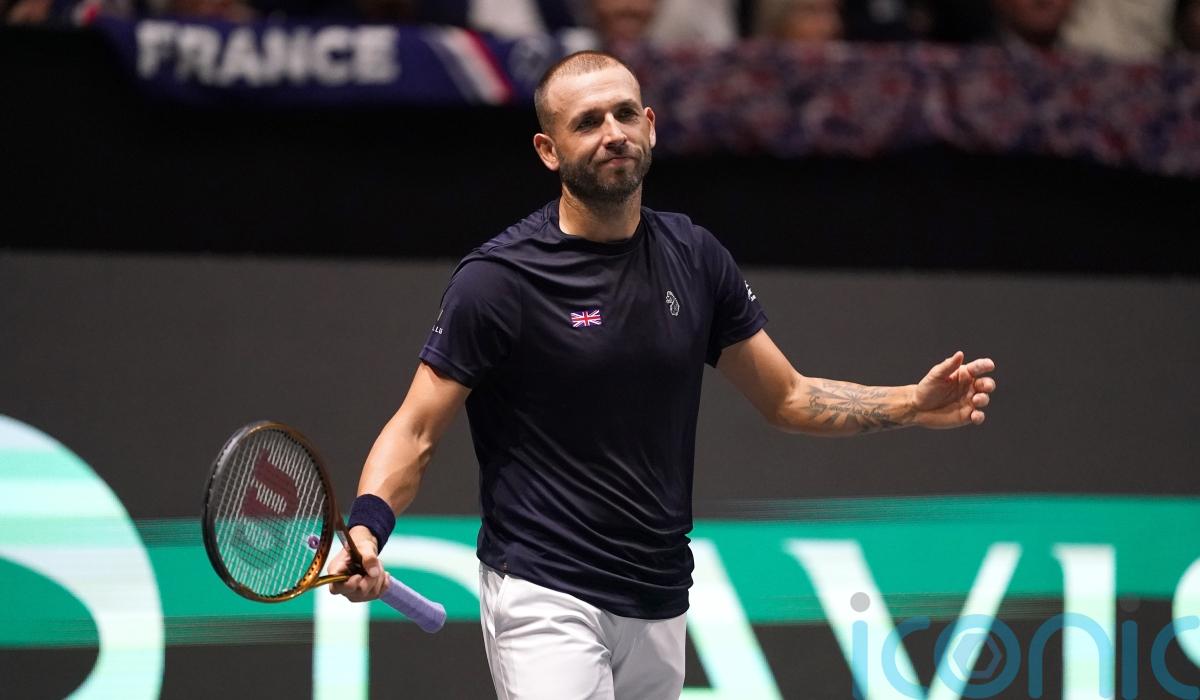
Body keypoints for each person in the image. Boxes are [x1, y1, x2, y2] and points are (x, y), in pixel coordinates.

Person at [329, 50, 998, 700]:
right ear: (548, 151)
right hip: (545, 589)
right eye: (587, 122)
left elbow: (788, 396)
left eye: (625, 114)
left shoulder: (694, 256)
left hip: (659, 596)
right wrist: (366, 529)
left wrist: (912, 403)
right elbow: (415, 430)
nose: (613, 133)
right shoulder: (498, 281)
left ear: (650, 125)